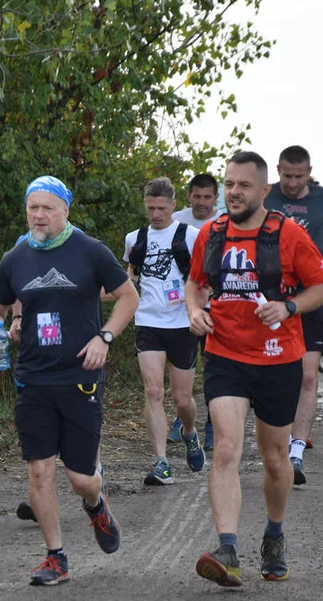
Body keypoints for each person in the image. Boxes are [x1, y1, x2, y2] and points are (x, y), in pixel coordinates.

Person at [0, 176, 138, 586]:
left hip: (80, 375)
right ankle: (55, 557)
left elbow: (128, 296)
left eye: (47, 207)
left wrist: (105, 337)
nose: (39, 215)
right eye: (33, 207)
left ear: (66, 210)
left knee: (81, 477)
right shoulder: (15, 258)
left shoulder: (89, 251)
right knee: (39, 471)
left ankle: (96, 504)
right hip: (32, 378)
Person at [185, 151, 323, 587]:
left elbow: (321, 288)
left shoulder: (288, 234)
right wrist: (194, 310)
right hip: (225, 354)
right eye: (229, 184)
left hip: (277, 358)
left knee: (273, 458)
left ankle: (273, 534)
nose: (233, 192)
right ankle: (227, 549)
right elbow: (195, 283)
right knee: (227, 448)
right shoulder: (209, 234)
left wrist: (288, 307)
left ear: (263, 190)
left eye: (243, 185)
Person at [262, 146, 323, 485]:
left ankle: (295, 451)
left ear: (310, 172)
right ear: (278, 170)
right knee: (274, 376)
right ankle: (276, 441)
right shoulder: (265, 195)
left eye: (299, 176)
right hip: (271, 296)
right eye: (286, 175)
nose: (293, 182)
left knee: (308, 374)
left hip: (313, 293)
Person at [124, 177, 206, 486]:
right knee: (153, 392)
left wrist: (201, 310)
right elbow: (130, 276)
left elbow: (204, 278)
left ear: (173, 206)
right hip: (148, 322)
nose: (155, 214)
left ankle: (189, 432)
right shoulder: (135, 238)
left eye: (161, 208)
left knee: (182, 399)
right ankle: (161, 462)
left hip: (182, 323)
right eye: (150, 208)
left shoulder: (192, 236)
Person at [168, 173, 219, 451]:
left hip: (216, 307)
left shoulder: (224, 223)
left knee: (212, 367)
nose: (201, 202)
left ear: (215, 198)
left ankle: (212, 424)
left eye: (207, 197)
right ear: (189, 196)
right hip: (184, 307)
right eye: (197, 196)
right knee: (183, 366)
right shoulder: (176, 220)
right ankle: (182, 417)